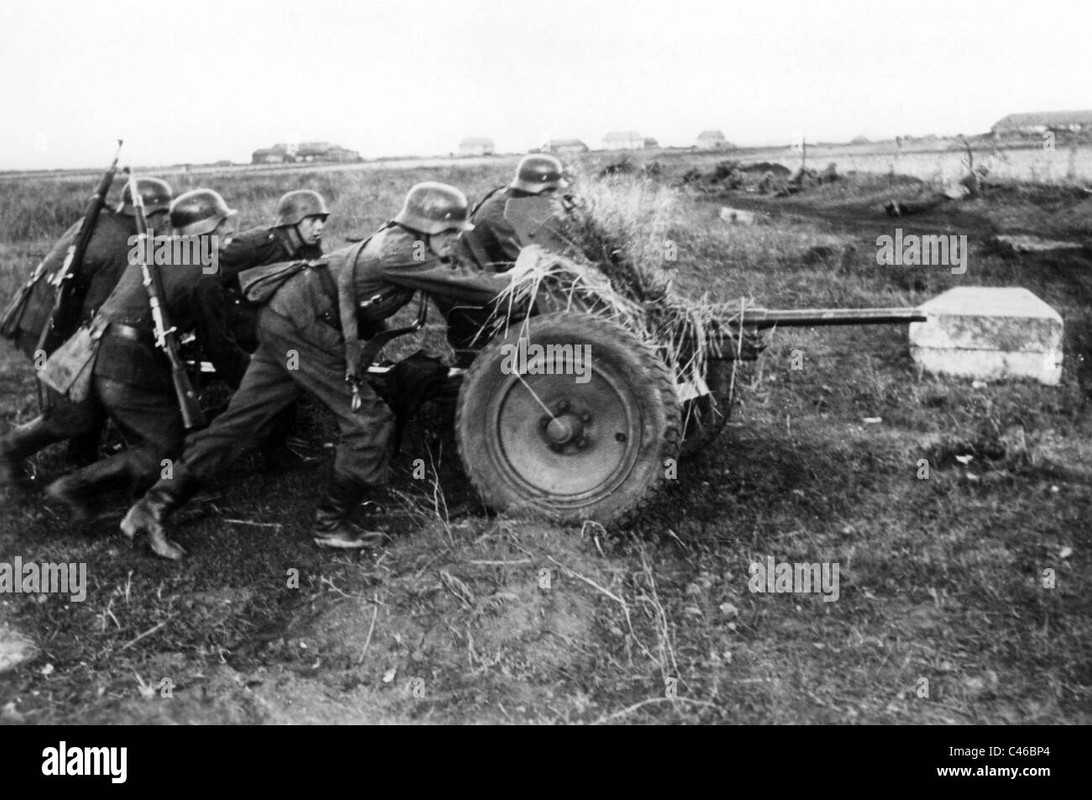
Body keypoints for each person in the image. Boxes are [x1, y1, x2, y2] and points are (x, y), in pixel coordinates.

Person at [120, 182, 523, 560]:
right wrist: (523, 274)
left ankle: (152, 505)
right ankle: (333, 524)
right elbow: (473, 286)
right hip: (301, 329)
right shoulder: (402, 252)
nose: (454, 239)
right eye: (450, 231)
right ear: (426, 227)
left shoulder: (408, 243)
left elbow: (454, 273)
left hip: (284, 321)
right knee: (368, 420)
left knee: (242, 422)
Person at [40, 189, 250, 532]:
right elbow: (219, 347)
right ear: (203, 232)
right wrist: (250, 382)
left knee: (156, 429)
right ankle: (73, 489)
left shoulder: (154, 248)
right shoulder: (202, 274)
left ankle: (132, 492)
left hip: (91, 348)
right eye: (223, 227)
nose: (229, 234)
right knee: (167, 445)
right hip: (126, 363)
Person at [0, 179, 175, 488]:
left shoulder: (107, 222)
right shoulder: (125, 242)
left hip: (43, 316)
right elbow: (102, 312)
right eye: (159, 213)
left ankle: (81, 457)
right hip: (46, 327)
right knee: (72, 413)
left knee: (91, 392)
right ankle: (10, 450)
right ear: (140, 212)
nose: (165, 220)